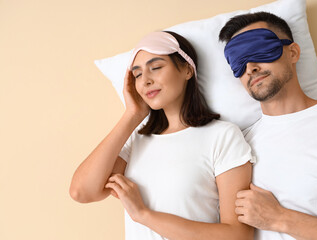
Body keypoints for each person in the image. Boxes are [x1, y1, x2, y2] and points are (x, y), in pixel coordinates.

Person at [70, 31, 254, 240]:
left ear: (187, 69)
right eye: (138, 74)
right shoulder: (135, 141)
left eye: (156, 68)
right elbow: (82, 192)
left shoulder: (222, 136)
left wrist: (144, 215)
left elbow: (239, 235)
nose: (145, 80)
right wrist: (132, 115)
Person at [219, 11, 317, 240]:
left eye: (259, 50)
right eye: (239, 61)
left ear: (293, 52)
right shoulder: (236, 146)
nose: (250, 67)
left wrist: (279, 218)